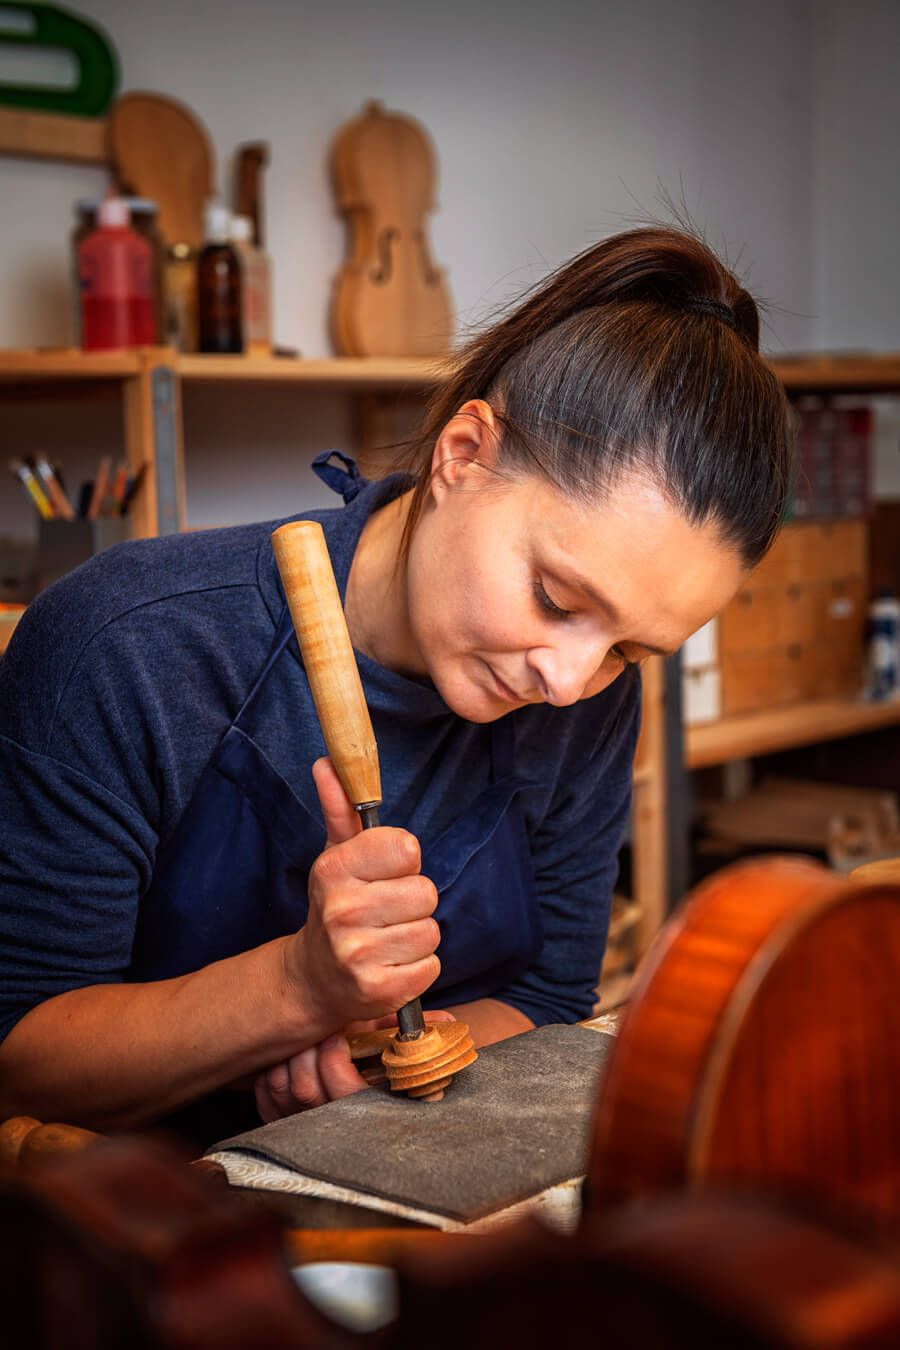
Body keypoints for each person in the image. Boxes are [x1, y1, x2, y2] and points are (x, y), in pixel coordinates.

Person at [0, 227, 792, 1143]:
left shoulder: (588, 698)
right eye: (554, 598)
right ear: (463, 453)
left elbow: (546, 995)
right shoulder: (129, 643)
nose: (569, 682)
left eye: (630, 650)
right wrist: (296, 989)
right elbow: (20, 1055)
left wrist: (384, 1067)